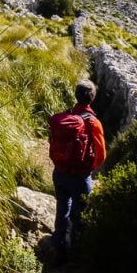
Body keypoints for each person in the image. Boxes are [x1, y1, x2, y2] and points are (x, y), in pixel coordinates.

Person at [50, 78, 106, 263]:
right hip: (80, 177)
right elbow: (101, 154)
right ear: (92, 98)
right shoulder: (93, 122)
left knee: (62, 209)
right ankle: (75, 254)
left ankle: (58, 248)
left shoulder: (65, 117)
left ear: (75, 95)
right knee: (79, 216)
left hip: (59, 172)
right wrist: (88, 168)